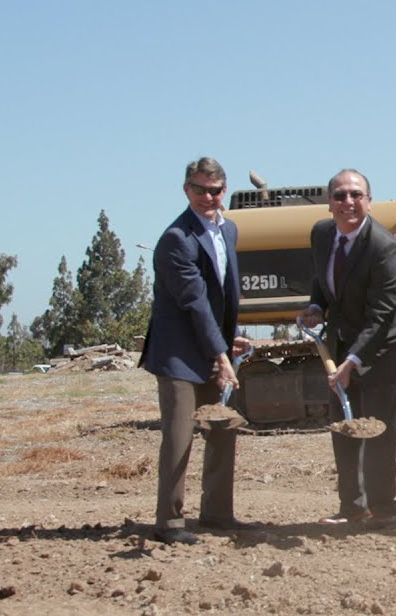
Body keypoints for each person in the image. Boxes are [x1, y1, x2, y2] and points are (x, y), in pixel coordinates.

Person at [140, 157, 253, 546]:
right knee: (179, 437)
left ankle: (218, 515)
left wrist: (227, 340)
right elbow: (195, 301)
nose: (208, 197)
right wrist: (221, 356)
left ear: (225, 190)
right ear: (186, 189)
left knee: (222, 429)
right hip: (178, 354)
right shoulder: (177, 238)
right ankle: (169, 523)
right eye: (200, 190)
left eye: (215, 190)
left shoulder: (229, 229)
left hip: (210, 345)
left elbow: (223, 295)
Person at [300, 169, 396, 530]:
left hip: (385, 344)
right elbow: (322, 277)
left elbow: (382, 315)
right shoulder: (322, 234)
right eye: (340, 195)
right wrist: (316, 306)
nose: (347, 202)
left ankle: (384, 510)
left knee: (376, 428)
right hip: (345, 335)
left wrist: (351, 362)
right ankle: (352, 507)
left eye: (356, 195)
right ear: (329, 202)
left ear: (369, 201)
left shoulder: (383, 246)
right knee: (343, 425)